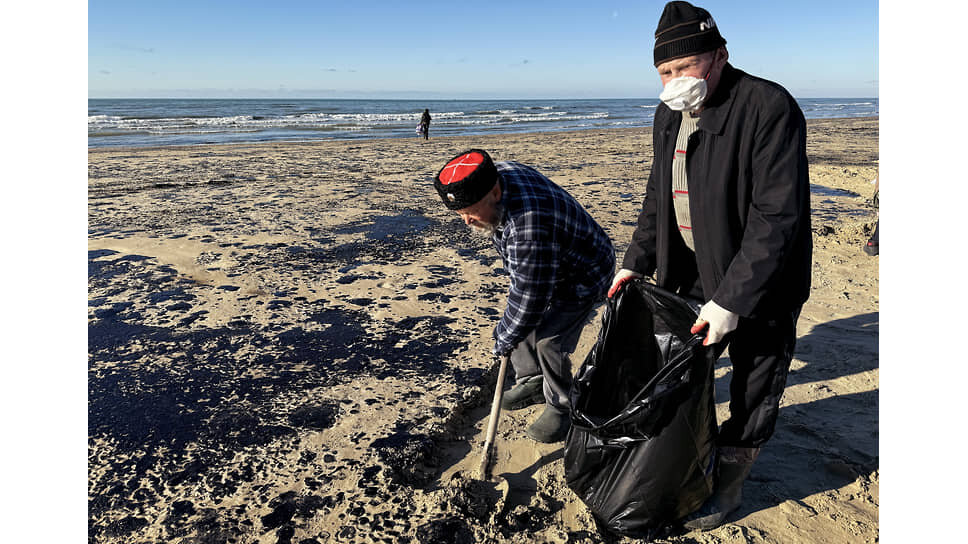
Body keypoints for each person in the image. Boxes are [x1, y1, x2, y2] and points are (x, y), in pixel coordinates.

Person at [608, 1, 812, 530]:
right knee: (679, 369)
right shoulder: (666, 114)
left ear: (719, 56)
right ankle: (687, 456)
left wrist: (733, 299)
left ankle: (732, 473)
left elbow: (777, 216)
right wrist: (636, 259)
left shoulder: (768, 107)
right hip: (691, 270)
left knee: (754, 378)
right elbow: (659, 195)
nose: (675, 81)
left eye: (685, 67)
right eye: (664, 72)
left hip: (761, 281)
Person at [433, 149, 615, 443]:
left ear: (494, 191)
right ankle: (532, 380)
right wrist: (510, 328)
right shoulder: (497, 174)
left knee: (548, 340)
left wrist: (504, 336)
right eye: (460, 214)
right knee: (515, 321)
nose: (466, 221)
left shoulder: (527, 226)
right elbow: (525, 292)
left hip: (586, 272)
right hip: (550, 259)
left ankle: (562, 406)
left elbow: (530, 298)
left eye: (470, 212)